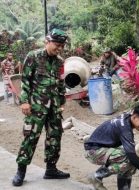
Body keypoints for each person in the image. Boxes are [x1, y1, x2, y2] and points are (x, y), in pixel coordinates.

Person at [12, 29, 70, 186]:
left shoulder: (59, 62)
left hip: (54, 108)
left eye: (62, 46)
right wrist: (24, 101)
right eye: (57, 45)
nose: (59, 48)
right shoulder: (33, 56)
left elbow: (61, 83)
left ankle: (51, 169)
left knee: (55, 137)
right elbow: (25, 81)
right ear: (48, 41)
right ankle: (21, 171)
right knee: (30, 137)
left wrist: (62, 102)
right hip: (36, 107)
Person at [84, 104, 139, 190]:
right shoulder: (125, 128)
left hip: (102, 147)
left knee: (131, 161)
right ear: (135, 117)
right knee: (129, 159)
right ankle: (96, 176)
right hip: (94, 151)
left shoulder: (127, 117)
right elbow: (132, 157)